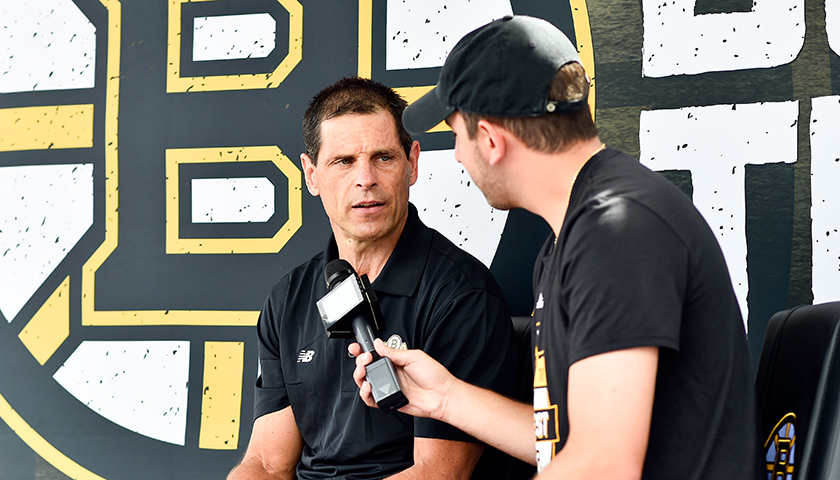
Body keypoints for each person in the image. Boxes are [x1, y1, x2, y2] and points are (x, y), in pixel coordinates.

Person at [352, 15, 760, 480]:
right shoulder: (575, 235)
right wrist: (445, 397)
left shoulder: (617, 229)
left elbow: (602, 467)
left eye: (456, 136)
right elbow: (569, 445)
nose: (460, 156)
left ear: (489, 139)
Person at [227, 77, 518, 480]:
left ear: (412, 163)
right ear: (311, 175)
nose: (365, 178)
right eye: (343, 161)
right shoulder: (287, 298)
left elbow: (438, 474)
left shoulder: (461, 296)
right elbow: (265, 462)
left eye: (383, 157)